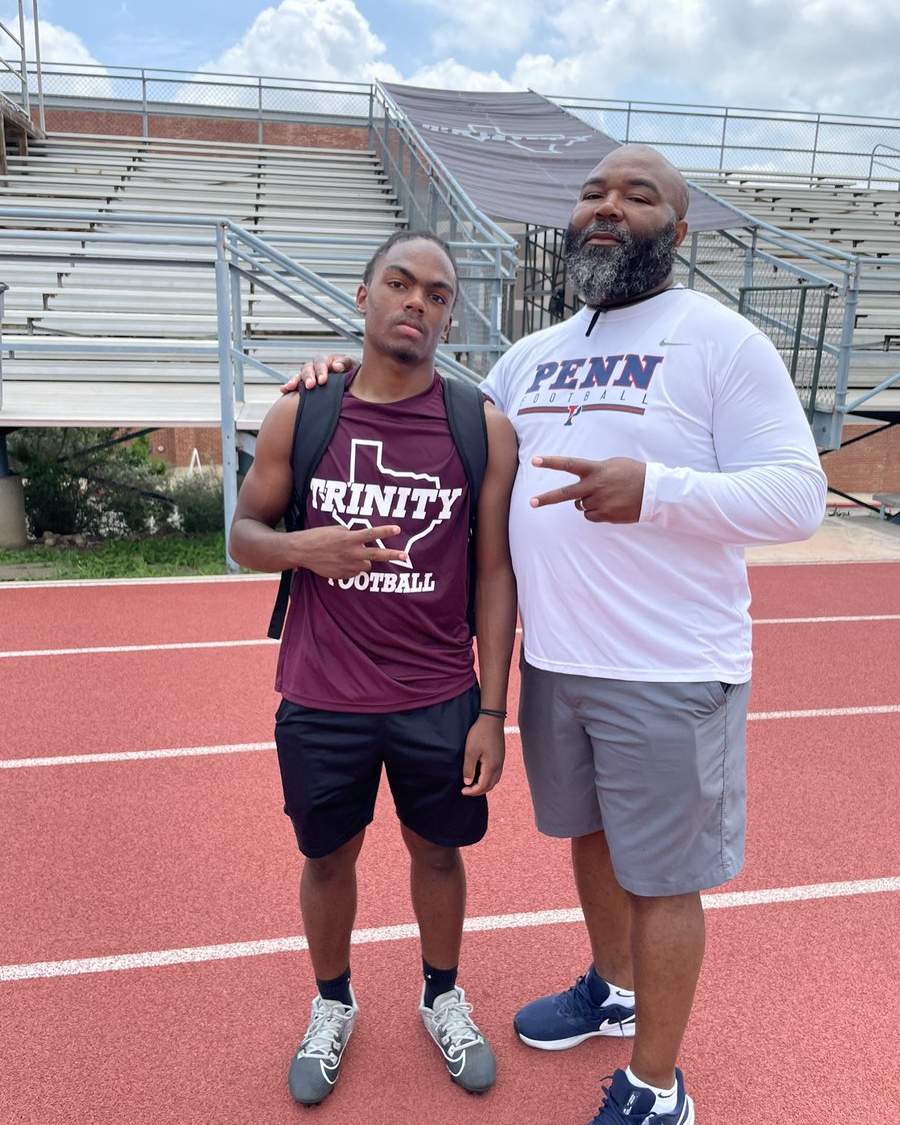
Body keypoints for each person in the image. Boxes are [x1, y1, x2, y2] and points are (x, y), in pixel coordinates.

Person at [285, 145, 827, 1125]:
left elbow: (799, 498)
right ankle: (613, 989)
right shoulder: (531, 357)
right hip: (555, 663)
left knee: (664, 878)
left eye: (637, 196)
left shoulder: (721, 341)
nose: (608, 207)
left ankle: (657, 1088)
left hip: (668, 668)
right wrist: (336, 373)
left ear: (678, 228)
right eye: (593, 193)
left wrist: (656, 490)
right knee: (590, 837)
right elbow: (430, 408)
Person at [230, 230, 518, 1107]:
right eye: (399, 283)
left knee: (439, 853)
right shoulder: (303, 413)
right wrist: (304, 549)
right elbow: (243, 537)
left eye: (437, 293)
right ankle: (332, 1004)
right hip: (322, 695)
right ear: (363, 297)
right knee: (327, 857)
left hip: (439, 695)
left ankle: (441, 997)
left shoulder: (479, 426)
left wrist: (492, 712)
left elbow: (495, 572)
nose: (416, 302)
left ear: (449, 317)